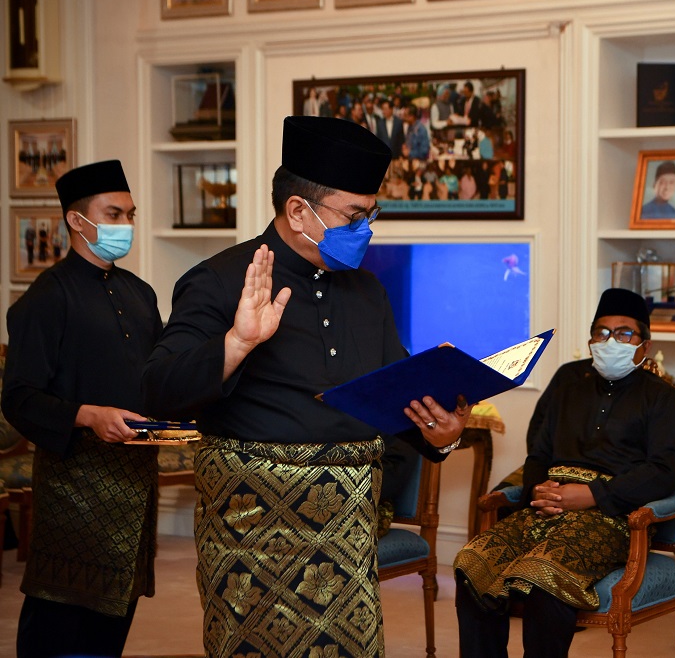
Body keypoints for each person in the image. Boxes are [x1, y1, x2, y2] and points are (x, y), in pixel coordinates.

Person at [141, 116, 469, 657]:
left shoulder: (367, 291)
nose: (366, 229)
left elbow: (396, 394)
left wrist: (443, 436)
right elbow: (157, 389)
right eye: (354, 216)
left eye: (371, 214)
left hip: (347, 529)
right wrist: (236, 344)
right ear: (298, 211)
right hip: (251, 531)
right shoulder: (220, 279)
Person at [453, 288, 675, 658]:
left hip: (614, 515)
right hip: (547, 505)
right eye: (602, 332)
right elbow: (539, 449)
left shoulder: (663, 397)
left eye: (624, 333)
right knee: (471, 563)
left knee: (544, 575)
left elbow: (663, 471)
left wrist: (594, 495)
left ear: (645, 344)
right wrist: (540, 489)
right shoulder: (568, 379)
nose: (611, 342)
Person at [2, 159, 162, 658]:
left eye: (130, 215)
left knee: (114, 613)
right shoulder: (47, 297)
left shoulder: (140, 293)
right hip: (75, 486)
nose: (125, 225)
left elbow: (157, 376)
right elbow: (19, 397)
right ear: (77, 220)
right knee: (61, 616)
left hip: (136, 481)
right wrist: (89, 415)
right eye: (114, 214)